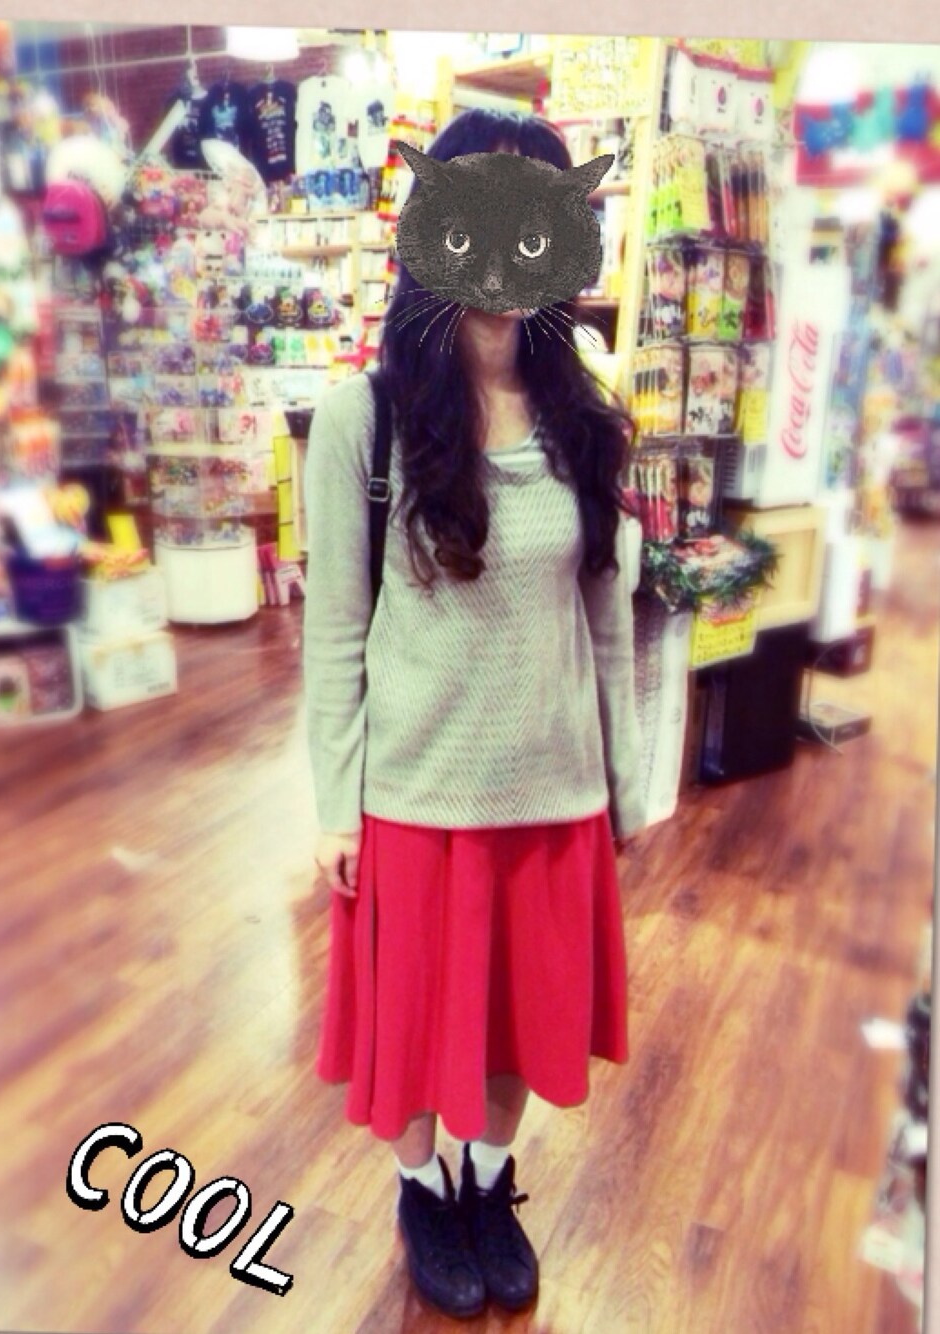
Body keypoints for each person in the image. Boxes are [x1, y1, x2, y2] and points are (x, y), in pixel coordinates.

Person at [303, 108, 646, 1320]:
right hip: (414, 793)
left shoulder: (584, 418)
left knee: (518, 1021)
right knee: (407, 1033)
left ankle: (487, 1183)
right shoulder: (364, 419)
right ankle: (419, 1189)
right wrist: (332, 801)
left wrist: (624, 780)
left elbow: (604, 617)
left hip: (552, 788)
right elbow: (334, 628)